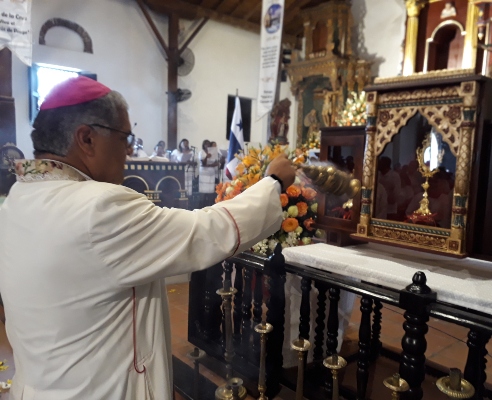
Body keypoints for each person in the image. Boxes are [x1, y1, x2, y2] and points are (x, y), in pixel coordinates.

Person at [0, 76, 295, 400]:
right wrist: (273, 182)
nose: (129, 150)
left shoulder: (15, 201)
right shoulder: (96, 208)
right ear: (86, 139)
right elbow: (206, 231)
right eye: (125, 137)